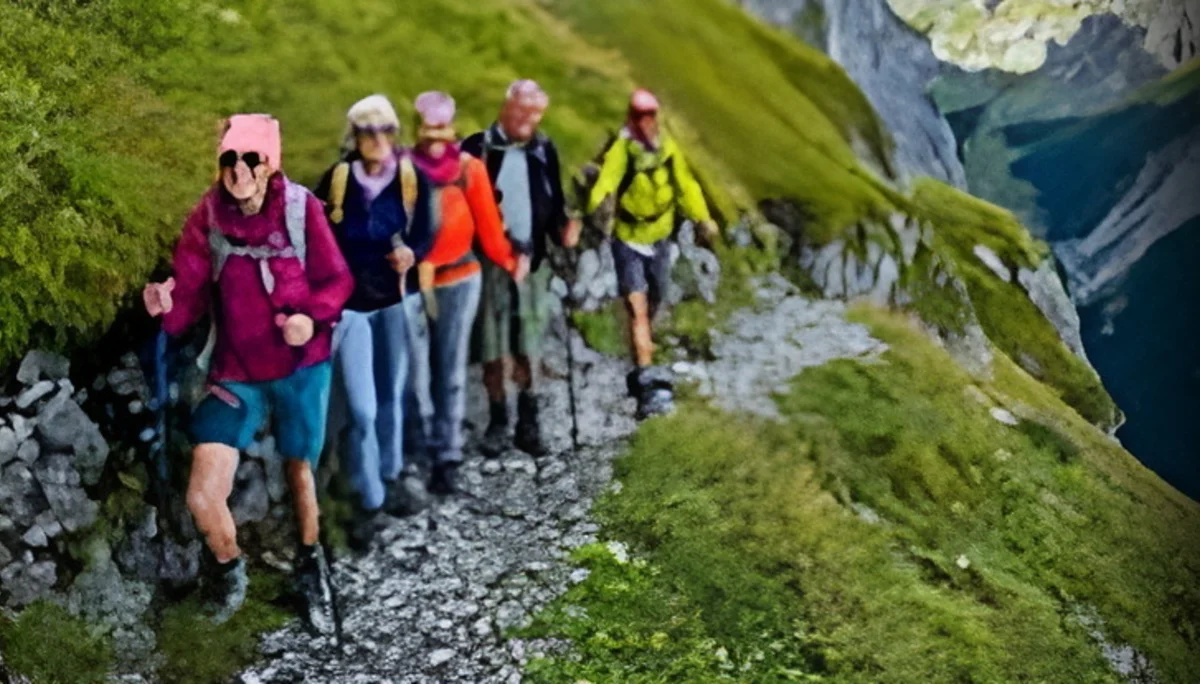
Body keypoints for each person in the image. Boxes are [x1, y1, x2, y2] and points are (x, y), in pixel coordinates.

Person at [143, 114, 353, 631]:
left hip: (301, 365)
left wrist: (310, 317)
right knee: (201, 494)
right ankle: (229, 571)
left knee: (299, 468)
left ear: (269, 164)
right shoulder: (208, 217)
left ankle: (309, 565)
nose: (238, 169)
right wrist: (163, 306)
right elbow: (187, 297)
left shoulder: (302, 210)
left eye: (250, 159)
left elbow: (336, 280)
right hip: (234, 371)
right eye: (229, 159)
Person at [314, 95, 434, 551]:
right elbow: (318, 234)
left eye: (384, 130)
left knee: (392, 394)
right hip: (351, 311)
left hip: (396, 302)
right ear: (355, 136)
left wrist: (413, 253)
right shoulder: (339, 180)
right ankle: (370, 499)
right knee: (362, 409)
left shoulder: (409, 178)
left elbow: (426, 232)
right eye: (367, 132)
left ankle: (389, 474)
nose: (377, 140)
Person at [407, 91, 528, 494]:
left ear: (452, 127)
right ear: (418, 128)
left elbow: (489, 228)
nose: (435, 135)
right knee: (416, 373)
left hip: (459, 278)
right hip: (413, 283)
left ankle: (447, 457)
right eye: (428, 127)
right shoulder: (404, 168)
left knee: (450, 370)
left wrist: (511, 262)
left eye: (442, 127)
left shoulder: (468, 169)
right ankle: (419, 453)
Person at [586, 89, 719, 419]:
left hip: (660, 236)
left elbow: (686, 185)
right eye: (640, 116)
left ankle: (644, 353)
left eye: (651, 115)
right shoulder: (622, 150)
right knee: (637, 306)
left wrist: (703, 218)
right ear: (632, 118)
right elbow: (606, 182)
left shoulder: (668, 148)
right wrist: (594, 206)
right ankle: (647, 382)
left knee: (657, 296)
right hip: (628, 238)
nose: (647, 122)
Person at [463, 79, 579, 458]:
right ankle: (498, 421)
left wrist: (564, 228)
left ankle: (529, 422)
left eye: (536, 112)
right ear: (506, 106)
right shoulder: (476, 149)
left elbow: (554, 201)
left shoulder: (544, 150)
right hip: (489, 262)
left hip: (535, 263)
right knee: (493, 346)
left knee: (528, 343)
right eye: (522, 110)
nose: (529, 119)